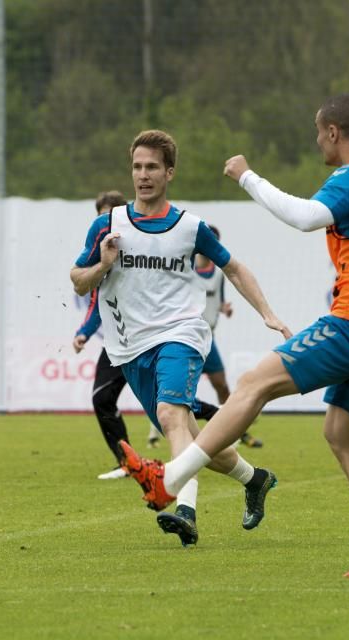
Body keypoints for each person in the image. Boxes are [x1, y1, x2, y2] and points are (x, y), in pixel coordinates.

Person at [120, 94, 349, 578]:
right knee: (341, 435)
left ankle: (170, 479)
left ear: (333, 131)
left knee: (255, 383)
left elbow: (306, 217)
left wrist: (247, 176)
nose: (318, 142)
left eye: (319, 133)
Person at [69, 130, 289, 547]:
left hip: (181, 335)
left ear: (169, 172)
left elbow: (235, 269)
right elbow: (79, 282)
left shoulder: (191, 228)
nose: (143, 175)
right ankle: (254, 478)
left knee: (172, 416)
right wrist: (102, 265)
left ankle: (185, 511)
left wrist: (268, 313)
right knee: (191, 436)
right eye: (137, 166)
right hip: (129, 348)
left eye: (152, 166)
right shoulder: (107, 226)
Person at [72, 191, 223, 480]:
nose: (108, 221)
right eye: (102, 215)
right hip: (120, 342)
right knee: (104, 398)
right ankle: (127, 463)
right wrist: (84, 333)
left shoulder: (149, 239)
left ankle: (217, 426)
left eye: (111, 213)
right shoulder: (104, 247)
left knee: (171, 407)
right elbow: (92, 297)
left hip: (160, 337)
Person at [145, 224, 264, 449]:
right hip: (184, 336)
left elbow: (217, 301)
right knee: (175, 389)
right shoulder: (184, 270)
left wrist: (224, 308)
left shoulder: (219, 274)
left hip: (208, 338)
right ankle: (157, 432)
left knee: (221, 385)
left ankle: (238, 432)